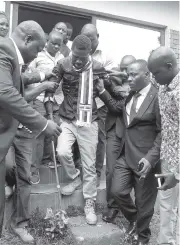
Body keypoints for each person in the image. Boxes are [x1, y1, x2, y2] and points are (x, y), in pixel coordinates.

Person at [0, 20, 61, 240]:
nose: (37, 55)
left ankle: (19, 223)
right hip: (8, 132)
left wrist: (43, 79)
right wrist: (43, 124)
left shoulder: (17, 61)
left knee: (24, 176)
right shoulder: (4, 49)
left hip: (20, 131)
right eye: (37, 49)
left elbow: (17, 91)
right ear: (27, 39)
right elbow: (6, 93)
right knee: (9, 170)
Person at [44, 35, 108, 225]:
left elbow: (110, 87)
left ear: (90, 53)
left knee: (89, 164)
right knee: (62, 151)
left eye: (82, 57)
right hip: (67, 118)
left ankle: (90, 202)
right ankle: (74, 177)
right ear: (71, 51)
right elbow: (50, 89)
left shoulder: (97, 66)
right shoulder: (63, 64)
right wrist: (49, 115)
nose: (78, 60)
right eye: (75, 56)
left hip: (90, 121)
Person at [97, 59, 161, 245]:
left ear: (147, 75)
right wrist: (103, 90)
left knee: (144, 202)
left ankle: (142, 237)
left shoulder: (157, 97)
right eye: (128, 75)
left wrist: (151, 158)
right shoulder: (131, 95)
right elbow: (119, 109)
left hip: (146, 158)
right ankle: (134, 219)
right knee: (117, 191)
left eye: (134, 75)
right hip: (126, 154)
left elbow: (162, 131)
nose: (129, 78)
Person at [148, 47, 179, 245]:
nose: (153, 78)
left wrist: (177, 175)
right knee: (166, 203)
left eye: (156, 73)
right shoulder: (162, 82)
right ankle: (164, 242)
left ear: (169, 66)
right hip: (167, 156)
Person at [102, 55, 136, 223]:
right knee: (110, 170)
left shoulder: (136, 84)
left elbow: (118, 106)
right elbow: (105, 90)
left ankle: (129, 205)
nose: (123, 72)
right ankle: (112, 206)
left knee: (129, 170)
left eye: (126, 69)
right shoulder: (114, 80)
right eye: (121, 68)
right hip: (114, 130)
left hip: (131, 133)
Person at [81, 23, 115, 184]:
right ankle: (80, 171)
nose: (88, 41)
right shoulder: (77, 52)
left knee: (99, 138)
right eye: (85, 38)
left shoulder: (106, 55)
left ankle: (96, 172)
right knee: (79, 135)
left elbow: (110, 80)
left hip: (99, 104)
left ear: (98, 38)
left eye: (91, 38)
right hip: (80, 103)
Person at [28, 30, 64, 183]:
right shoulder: (38, 56)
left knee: (54, 129)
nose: (56, 46)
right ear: (47, 42)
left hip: (56, 99)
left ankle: (49, 160)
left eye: (59, 44)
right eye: (53, 43)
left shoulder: (63, 58)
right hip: (40, 98)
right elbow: (29, 73)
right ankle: (34, 169)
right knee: (39, 131)